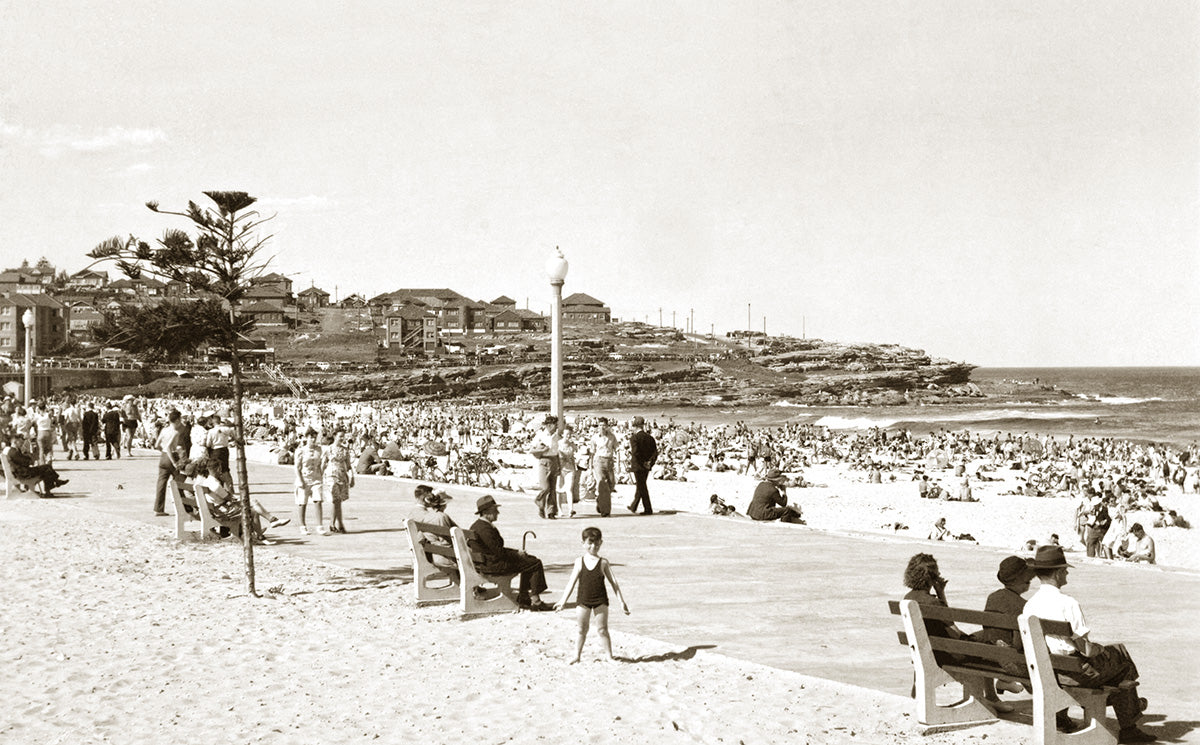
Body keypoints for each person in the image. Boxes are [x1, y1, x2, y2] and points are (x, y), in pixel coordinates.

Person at [1023, 545, 1154, 744]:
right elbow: (1086, 650)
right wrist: (1100, 648)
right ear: (1058, 573)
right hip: (1074, 675)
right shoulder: (1067, 603)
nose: (1067, 572)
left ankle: (1129, 706)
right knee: (1121, 658)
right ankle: (1129, 724)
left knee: (1116, 660)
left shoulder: (1029, 605)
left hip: (1048, 671)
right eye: (1065, 569)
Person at [555, 526, 630, 663]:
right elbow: (571, 583)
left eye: (596, 543)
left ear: (601, 543)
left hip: (600, 600)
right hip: (583, 600)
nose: (593, 546)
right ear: (583, 543)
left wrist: (621, 601)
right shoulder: (579, 562)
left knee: (602, 630)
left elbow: (614, 583)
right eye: (590, 543)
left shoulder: (603, 562)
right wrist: (562, 601)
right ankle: (576, 656)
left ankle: (609, 656)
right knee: (581, 630)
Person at [468, 495, 550, 610]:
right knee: (534, 563)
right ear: (486, 512)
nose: (498, 512)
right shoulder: (486, 529)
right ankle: (535, 600)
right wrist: (517, 554)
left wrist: (517, 553)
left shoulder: (477, 526)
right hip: (493, 566)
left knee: (529, 561)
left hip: (485, 563)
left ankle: (524, 597)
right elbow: (499, 553)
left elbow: (495, 550)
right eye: (495, 510)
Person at [408, 487, 459, 586]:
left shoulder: (427, 515)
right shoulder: (441, 517)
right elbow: (449, 540)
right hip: (443, 556)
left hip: (433, 553)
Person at [3, 433, 68, 495]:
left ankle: (54, 482)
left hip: (20, 472)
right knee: (47, 467)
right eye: (20, 442)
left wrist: (27, 456)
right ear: (15, 442)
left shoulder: (11, 450)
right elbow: (26, 462)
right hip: (23, 474)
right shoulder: (13, 452)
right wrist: (29, 457)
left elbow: (24, 461)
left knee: (46, 468)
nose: (22, 444)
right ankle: (53, 483)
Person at [152, 409, 185, 516]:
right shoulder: (175, 432)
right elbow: (169, 447)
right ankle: (184, 507)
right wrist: (174, 462)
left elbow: (157, 445)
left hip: (163, 457)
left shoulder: (164, 430)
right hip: (171, 456)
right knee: (180, 481)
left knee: (161, 483)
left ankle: (158, 509)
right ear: (177, 420)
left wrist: (164, 453)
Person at [293, 428, 324, 535]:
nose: (313, 440)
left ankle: (319, 526)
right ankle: (302, 526)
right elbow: (297, 467)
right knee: (302, 502)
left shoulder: (319, 450)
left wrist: (321, 476)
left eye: (315, 437)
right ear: (306, 438)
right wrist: (300, 480)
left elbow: (320, 464)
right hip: (304, 477)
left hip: (316, 477)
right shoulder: (300, 450)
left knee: (318, 500)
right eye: (311, 437)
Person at [322, 430, 353, 533]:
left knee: (338, 501)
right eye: (340, 436)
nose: (342, 438)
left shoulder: (345, 450)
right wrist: (319, 477)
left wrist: (352, 477)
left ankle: (334, 524)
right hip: (331, 476)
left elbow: (348, 465)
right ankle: (337, 524)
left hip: (342, 476)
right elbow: (323, 464)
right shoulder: (328, 449)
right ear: (335, 436)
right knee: (336, 500)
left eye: (343, 436)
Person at [529, 415, 560, 519]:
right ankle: (539, 502)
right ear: (549, 425)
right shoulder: (540, 435)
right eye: (555, 425)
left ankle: (551, 512)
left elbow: (557, 453)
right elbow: (531, 450)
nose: (556, 427)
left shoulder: (557, 436)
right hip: (544, 461)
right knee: (545, 487)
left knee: (553, 489)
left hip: (554, 461)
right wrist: (542, 451)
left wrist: (559, 465)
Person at [626, 415, 658, 515]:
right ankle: (634, 506)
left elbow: (636, 453)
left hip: (638, 465)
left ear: (635, 426)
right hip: (647, 465)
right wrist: (649, 462)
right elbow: (655, 452)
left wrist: (642, 462)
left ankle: (648, 509)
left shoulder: (634, 438)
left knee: (642, 487)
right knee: (641, 485)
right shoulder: (650, 438)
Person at [589, 417, 617, 517]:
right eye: (600, 425)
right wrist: (590, 467)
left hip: (609, 461)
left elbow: (616, 449)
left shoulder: (612, 437)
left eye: (604, 425)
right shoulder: (594, 437)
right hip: (599, 461)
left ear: (607, 426)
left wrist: (617, 464)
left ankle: (599, 500)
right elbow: (592, 453)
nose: (602, 427)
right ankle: (606, 510)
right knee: (602, 484)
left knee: (611, 484)